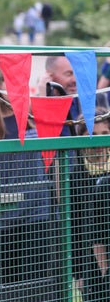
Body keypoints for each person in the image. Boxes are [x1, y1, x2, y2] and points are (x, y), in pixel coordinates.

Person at [0, 61, 61, 301]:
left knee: (43, 290)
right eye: (9, 81)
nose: (15, 87)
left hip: (40, 218)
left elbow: (56, 159)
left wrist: (44, 96)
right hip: (4, 222)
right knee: (9, 291)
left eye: (20, 82)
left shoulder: (34, 117)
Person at [70, 110, 110, 302]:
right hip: (89, 262)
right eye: (92, 135)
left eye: (105, 134)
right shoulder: (75, 175)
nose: (99, 143)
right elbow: (73, 228)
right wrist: (78, 274)